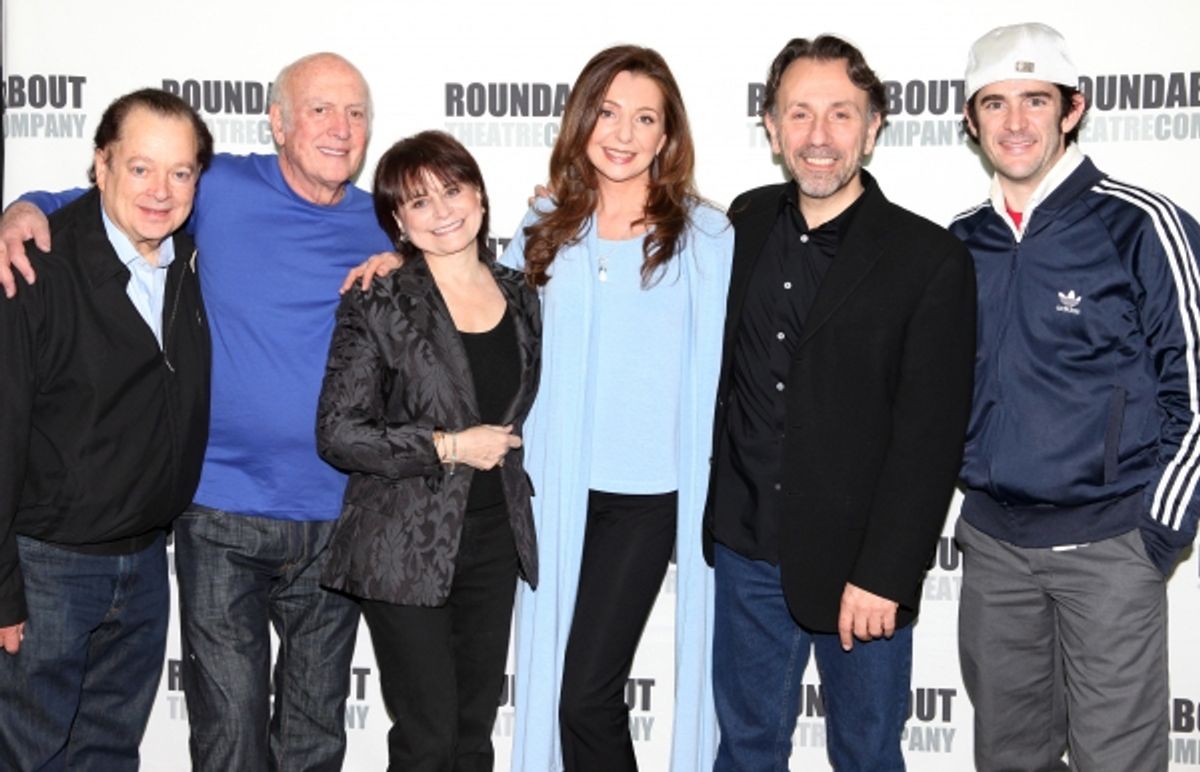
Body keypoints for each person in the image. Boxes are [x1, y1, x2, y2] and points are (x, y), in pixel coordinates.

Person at [0, 52, 393, 772]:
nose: (340, 129)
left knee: (314, 736)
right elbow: (113, 195)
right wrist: (25, 207)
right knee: (228, 737)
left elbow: (464, 279)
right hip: (218, 515)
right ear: (276, 122)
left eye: (356, 112)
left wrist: (414, 262)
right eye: (319, 109)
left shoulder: (390, 221)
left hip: (337, 517)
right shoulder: (217, 189)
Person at [704, 35, 976, 771]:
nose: (818, 138)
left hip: (862, 570)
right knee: (747, 750)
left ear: (875, 125)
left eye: (841, 115)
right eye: (799, 114)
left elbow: (931, 437)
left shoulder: (930, 259)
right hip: (746, 550)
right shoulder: (744, 222)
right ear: (770, 127)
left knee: (866, 754)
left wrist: (887, 573)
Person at [951, 22, 1200, 772]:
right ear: (971, 121)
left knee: (1116, 763)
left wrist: (1150, 537)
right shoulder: (958, 244)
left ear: (1073, 109)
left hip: (1110, 549)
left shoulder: (1141, 225)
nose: (1016, 122)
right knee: (1009, 761)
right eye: (994, 104)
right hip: (995, 551)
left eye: (1035, 100)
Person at [506, 45, 732, 772]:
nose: (624, 134)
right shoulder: (544, 224)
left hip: (647, 497)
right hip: (553, 489)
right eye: (608, 112)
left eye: (645, 118)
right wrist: (401, 262)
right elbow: (483, 320)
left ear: (667, 136)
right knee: (555, 688)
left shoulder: (704, 236)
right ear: (582, 120)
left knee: (584, 695)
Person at [0, 88, 212, 770]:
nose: (161, 190)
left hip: (146, 563)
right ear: (101, 165)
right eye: (141, 167)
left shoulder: (191, 261)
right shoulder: (35, 267)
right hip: (46, 568)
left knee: (109, 755)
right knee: (27, 753)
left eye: (180, 172)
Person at [316, 130, 541, 772]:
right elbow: (338, 431)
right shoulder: (379, 298)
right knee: (427, 740)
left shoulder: (521, 292)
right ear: (397, 222)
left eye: (452, 189)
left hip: (495, 542)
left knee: (473, 736)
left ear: (478, 193)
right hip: (401, 546)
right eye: (418, 202)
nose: (442, 211)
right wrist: (448, 446)